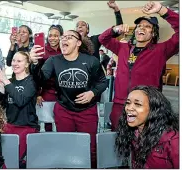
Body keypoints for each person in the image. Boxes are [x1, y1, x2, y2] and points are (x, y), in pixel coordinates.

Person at [30, 30, 107, 168]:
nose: (64, 39)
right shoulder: (53, 60)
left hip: (87, 111)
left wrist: (92, 93)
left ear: (78, 43)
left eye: (69, 37)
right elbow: (40, 80)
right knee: (64, 144)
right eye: (63, 37)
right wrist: (35, 64)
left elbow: (102, 82)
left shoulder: (91, 61)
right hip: (64, 110)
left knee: (90, 147)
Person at [98, 1, 179, 131]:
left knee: (144, 145)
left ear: (153, 34)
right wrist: (114, 30)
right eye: (139, 26)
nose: (141, 28)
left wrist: (162, 10)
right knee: (119, 143)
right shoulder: (123, 48)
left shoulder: (161, 50)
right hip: (120, 104)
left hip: (146, 106)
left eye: (147, 27)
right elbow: (103, 39)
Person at [115, 85, 179, 169]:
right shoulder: (134, 134)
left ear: (153, 110)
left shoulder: (174, 140)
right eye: (128, 103)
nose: (129, 108)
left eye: (137, 104)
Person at [0, 51, 38, 168]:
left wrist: (6, 82)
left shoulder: (32, 82)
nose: (15, 63)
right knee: (0, 158)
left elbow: (21, 101)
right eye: (13, 60)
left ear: (27, 64)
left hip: (27, 127)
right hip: (10, 125)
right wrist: (1, 88)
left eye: (19, 61)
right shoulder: (11, 82)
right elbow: (0, 105)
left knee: (11, 160)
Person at [36, 24, 63, 132]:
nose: (52, 38)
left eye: (56, 36)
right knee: (47, 119)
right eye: (50, 35)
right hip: (47, 89)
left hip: (63, 90)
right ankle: (49, 142)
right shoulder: (42, 50)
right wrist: (37, 94)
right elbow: (36, 73)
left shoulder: (65, 49)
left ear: (61, 36)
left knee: (62, 119)